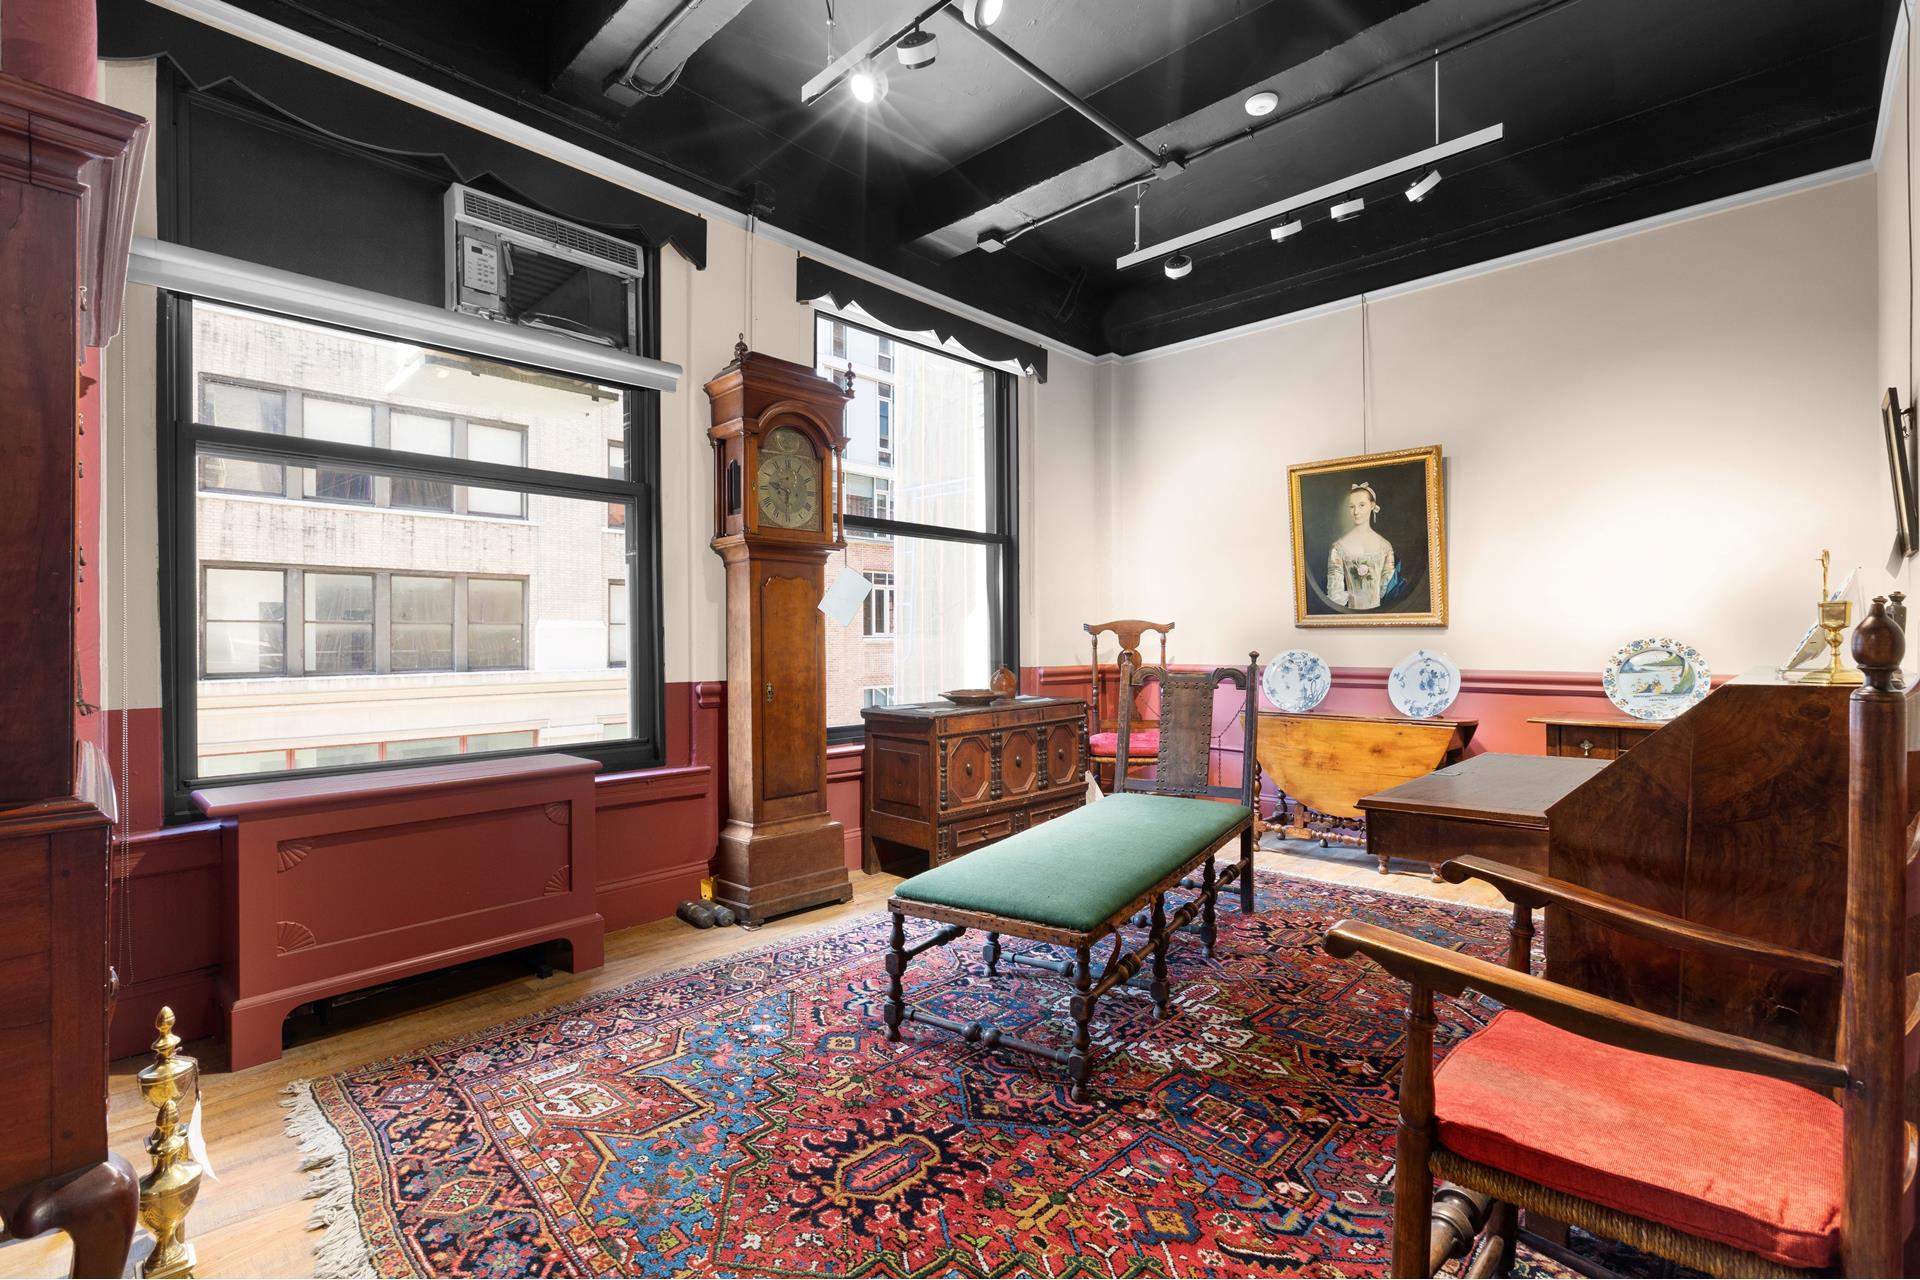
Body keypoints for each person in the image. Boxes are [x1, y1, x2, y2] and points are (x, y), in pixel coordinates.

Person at [1326, 481, 1398, 609]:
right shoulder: (1338, 547)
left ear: (1372, 505)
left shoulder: (1385, 546)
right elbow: (1335, 592)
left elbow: (1388, 588)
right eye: (1351, 506)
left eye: (1361, 505)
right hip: (1351, 616)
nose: (1356, 512)